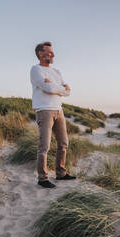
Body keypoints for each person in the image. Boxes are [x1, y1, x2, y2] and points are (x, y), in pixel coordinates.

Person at [30, 41, 76, 189]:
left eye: (52, 52)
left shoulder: (56, 72)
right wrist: (59, 88)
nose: (53, 54)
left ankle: (61, 173)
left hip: (59, 110)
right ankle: (42, 178)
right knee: (44, 146)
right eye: (49, 52)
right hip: (44, 110)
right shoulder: (35, 70)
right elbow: (48, 88)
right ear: (40, 54)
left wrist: (56, 87)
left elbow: (67, 91)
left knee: (63, 143)